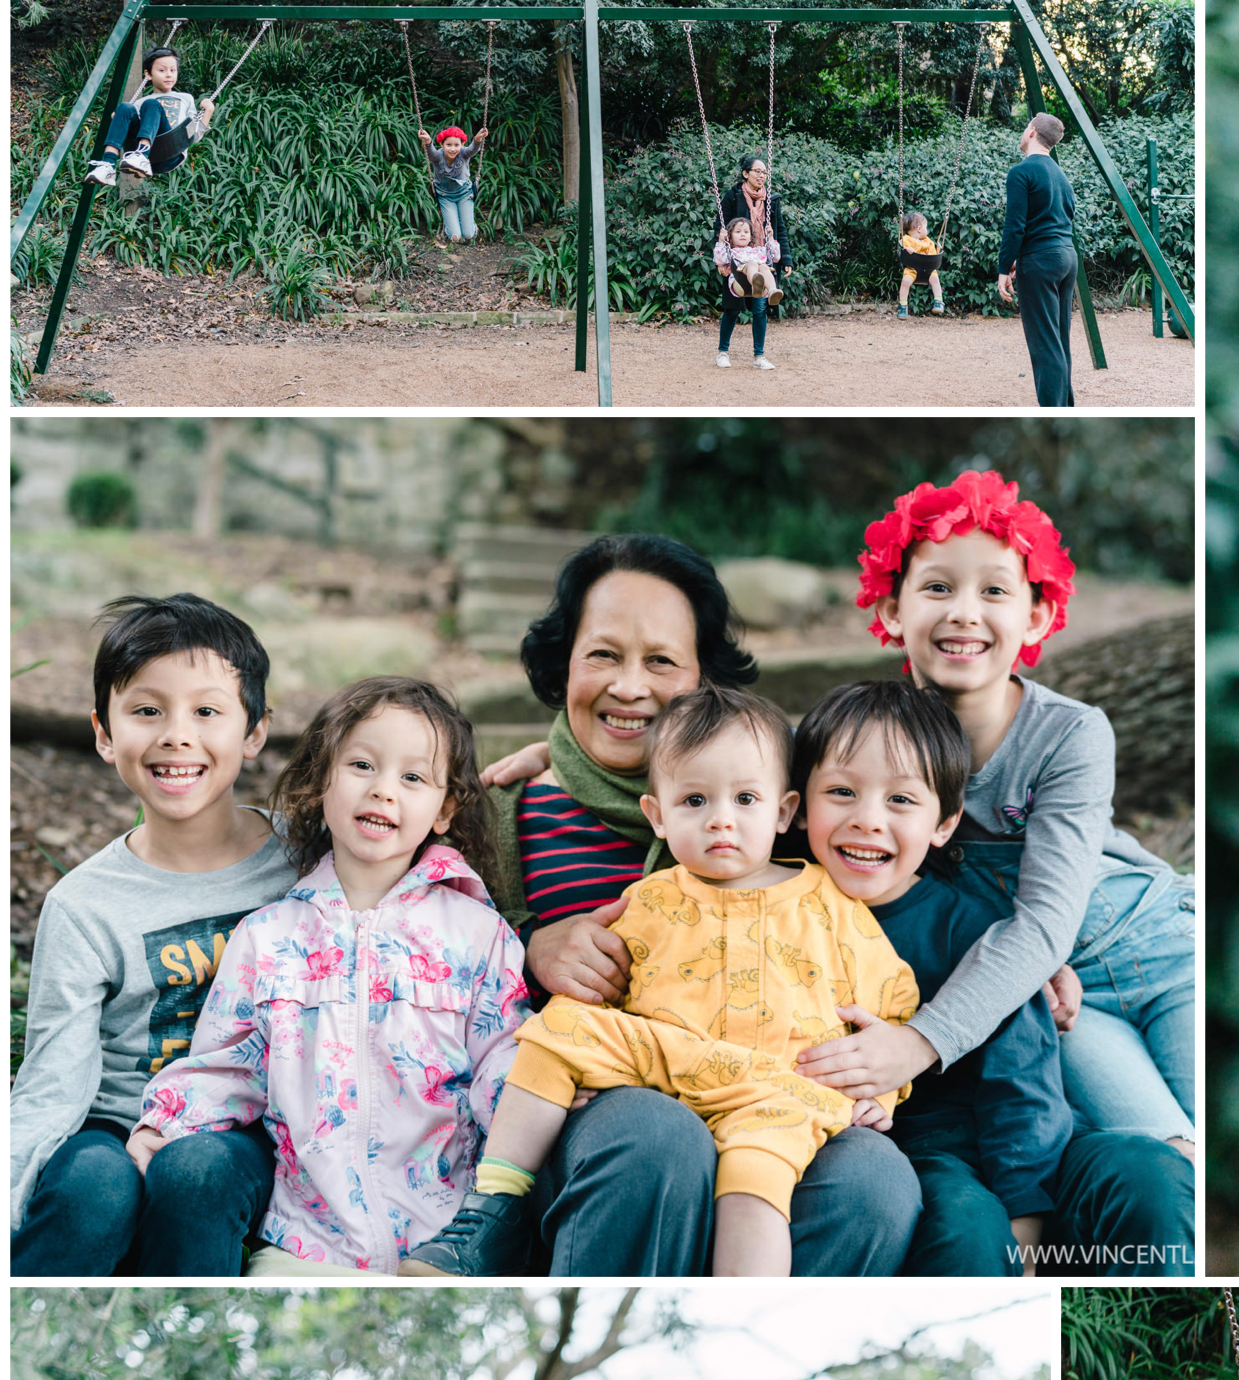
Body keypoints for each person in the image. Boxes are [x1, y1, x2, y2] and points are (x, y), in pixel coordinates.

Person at [475, 534, 920, 1275]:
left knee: (874, 1183)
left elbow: (897, 808)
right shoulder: (502, 812)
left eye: (661, 662)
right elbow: (432, 945)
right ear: (564, 665)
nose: (629, 687)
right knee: (658, 1135)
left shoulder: (771, 810)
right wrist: (526, 942)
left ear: (706, 681)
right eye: (602, 656)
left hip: (772, 1097)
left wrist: (1027, 960)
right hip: (592, 1108)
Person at [405, 685, 913, 1280]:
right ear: (659, 816)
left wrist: (879, 1094)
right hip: (670, 1065)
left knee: (757, 1192)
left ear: (783, 810)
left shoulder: (832, 904)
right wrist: (586, 1066)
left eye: (746, 798)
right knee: (560, 1027)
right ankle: (495, 1208)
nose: (721, 818)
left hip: (779, 1088)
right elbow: (604, 995)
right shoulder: (647, 900)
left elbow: (889, 1007)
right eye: (695, 800)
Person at [806, 470, 1195, 1156]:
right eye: (936, 587)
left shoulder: (1071, 734)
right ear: (891, 610)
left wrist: (920, 1043)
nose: (963, 611)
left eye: (993, 590)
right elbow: (747, 779)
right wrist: (546, 763)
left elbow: (1046, 919)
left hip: (1158, 953)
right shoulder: (862, 743)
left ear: (1037, 616)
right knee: (1168, 1152)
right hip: (1044, 997)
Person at [790, 680, 1193, 1277]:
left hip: (1035, 1140)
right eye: (842, 792)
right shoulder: (778, 912)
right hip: (932, 1151)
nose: (868, 821)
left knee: (1151, 1173)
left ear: (945, 823)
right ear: (798, 805)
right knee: (969, 1232)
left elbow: (1021, 1076)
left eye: (901, 801)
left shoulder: (978, 928)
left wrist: (1028, 1218)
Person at [131, 679, 527, 1275]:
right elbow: (230, 1062)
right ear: (322, 783)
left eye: (413, 778)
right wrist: (166, 1120)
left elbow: (505, 1061)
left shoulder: (478, 934)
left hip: (443, 1242)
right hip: (306, 1239)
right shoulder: (268, 936)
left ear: (446, 809)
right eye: (362, 765)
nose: (383, 790)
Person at [11, 594, 290, 1275]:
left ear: (253, 731)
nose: (176, 734)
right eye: (146, 710)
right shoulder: (85, 905)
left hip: (244, 1124)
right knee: (91, 1191)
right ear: (104, 733)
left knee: (195, 1171)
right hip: (111, 1122)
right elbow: (52, 1081)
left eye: (207, 711)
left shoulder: (306, 862)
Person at [996, 111, 1079, 407]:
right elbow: (1065, 216)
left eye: (1025, 126)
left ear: (1032, 131)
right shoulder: (1061, 175)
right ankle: (1066, 408)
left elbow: (1014, 224)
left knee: (1044, 345)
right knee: (1059, 340)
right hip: (1067, 258)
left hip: (1042, 263)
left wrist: (1004, 267)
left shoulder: (1022, 172)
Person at [85, 46, 213, 187]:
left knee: (152, 104)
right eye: (162, 70)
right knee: (125, 107)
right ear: (148, 74)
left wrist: (208, 111)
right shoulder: (140, 103)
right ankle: (108, 166)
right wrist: (119, 117)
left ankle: (142, 155)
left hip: (172, 150)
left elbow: (194, 135)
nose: (169, 74)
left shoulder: (185, 98)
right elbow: (131, 127)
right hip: (147, 154)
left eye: (173, 70)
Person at [713, 209, 781, 371]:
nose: (742, 235)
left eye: (746, 232)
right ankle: (723, 353)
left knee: (764, 266)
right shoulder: (732, 251)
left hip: (758, 281)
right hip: (739, 281)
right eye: (738, 232)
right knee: (752, 264)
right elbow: (719, 259)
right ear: (730, 236)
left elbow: (776, 257)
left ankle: (772, 291)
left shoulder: (757, 250)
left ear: (751, 236)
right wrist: (721, 242)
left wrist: (771, 238)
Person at [419, 121, 488, 245]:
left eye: (457, 145)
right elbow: (430, 151)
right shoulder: (437, 157)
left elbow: (473, 149)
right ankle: (449, 229)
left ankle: (471, 226)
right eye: (448, 144)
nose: (452, 149)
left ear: (462, 145)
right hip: (446, 197)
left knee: (468, 235)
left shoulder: (464, 154)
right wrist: (428, 141)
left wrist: (477, 139)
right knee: (455, 237)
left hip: (464, 195)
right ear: (442, 144)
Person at [895, 209, 945, 317]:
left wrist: (935, 252)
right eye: (925, 227)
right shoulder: (906, 239)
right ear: (919, 229)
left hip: (928, 270)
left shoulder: (928, 242)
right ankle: (903, 307)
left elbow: (932, 255)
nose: (926, 230)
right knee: (905, 281)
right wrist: (907, 249)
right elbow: (902, 248)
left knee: (935, 279)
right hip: (911, 269)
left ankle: (938, 302)